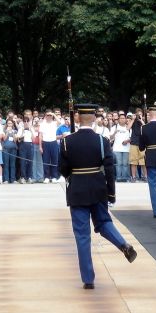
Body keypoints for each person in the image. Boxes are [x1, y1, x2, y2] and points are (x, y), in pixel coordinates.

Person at [59, 103, 137, 289]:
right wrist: (111, 194)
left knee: (82, 235)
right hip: (98, 188)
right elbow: (109, 170)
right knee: (103, 222)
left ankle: (88, 279)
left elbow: (62, 169)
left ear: (77, 118)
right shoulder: (102, 141)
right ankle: (123, 244)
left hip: (77, 189)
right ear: (94, 119)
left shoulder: (66, 142)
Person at [40, 110, 60, 183]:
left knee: (55, 160)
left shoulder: (54, 123)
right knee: (46, 160)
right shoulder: (42, 124)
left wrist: (53, 114)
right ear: (45, 116)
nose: (49, 116)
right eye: (47, 115)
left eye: (50, 115)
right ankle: (47, 177)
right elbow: (40, 135)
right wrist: (40, 146)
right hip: (45, 143)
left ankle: (54, 176)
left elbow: (60, 122)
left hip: (53, 142)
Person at [126, 109, 146, 182]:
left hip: (142, 143)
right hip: (134, 143)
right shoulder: (133, 121)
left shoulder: (143, 121)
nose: (139, 116)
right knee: (133, 162)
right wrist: (133, 119)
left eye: (140, 114)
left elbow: (145, 127)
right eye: (138, 114)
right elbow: (127, 128)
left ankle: (145, 176)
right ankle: (134, 177)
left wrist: (141, 120)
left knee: (143, 162)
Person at [110, 113, 130, 182]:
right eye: (121, 118)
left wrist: (127, 141)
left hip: (126, 148)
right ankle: (118, 177)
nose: (122, 119)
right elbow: (110, 138)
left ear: (125, 119)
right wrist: (114, 132)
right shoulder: (114, 127)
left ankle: (124, 177)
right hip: (117, 148)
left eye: (123, 118)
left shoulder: (128, 127)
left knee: (125, 164)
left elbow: (132, 138)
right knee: (118, 164)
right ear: (118, 119)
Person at [17, 117, 34, 183]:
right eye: (25, 121)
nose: (26, 122)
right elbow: (18, 138)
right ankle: (23, 177)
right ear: (23, 122)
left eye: (27, 121)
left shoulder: (31, 128)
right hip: (22, 145)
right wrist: (23, 131)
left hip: (30, 145)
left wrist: (31, 131)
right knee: (22, 162)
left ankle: (29, 177)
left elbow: (33, 139)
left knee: (30, 162)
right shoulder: (20, 129)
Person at [2, 119, 18, 183]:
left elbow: (15, 140)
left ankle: (13, 179)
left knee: (13, 164)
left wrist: (12, 133)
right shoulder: (4, 131)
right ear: (6, 124)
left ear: (13, 124)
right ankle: (6, 179)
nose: (9, 124)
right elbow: (4, 139)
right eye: (8, 123)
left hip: (13, 149)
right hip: (6, 149)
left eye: (11, 123)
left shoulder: (15, 131)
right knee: (6, 164)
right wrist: (8, 132)